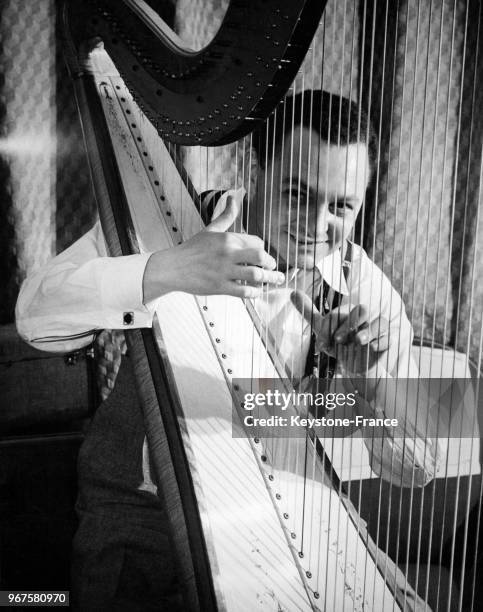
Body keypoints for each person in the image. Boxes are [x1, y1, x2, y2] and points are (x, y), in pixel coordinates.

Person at [15, 90, 440, 609]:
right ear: (256, 170)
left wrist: (377, 392)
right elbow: (33, 316)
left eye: (342, 206)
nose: (317, 225)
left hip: (286, 505)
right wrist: (168, 270)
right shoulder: (172, 218)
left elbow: (417, 469)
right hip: (143, 504)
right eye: (298, 194)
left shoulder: (366, 295)